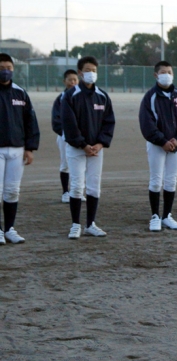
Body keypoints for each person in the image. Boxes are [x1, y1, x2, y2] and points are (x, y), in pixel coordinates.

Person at [62, 56, 115, 239]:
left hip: (96, 150)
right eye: (87, 70)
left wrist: (100, 143)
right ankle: (75, 224)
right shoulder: (71, 96)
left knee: (94, 186)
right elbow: (69, 124)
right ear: (79, 72)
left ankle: (90, 224)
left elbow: (108, 122)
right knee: (77, 186)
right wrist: (83, 144)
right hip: (77, 148)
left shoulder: (102, 96)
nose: (91, 73)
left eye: (94, 70)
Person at [139, 60, 177, 231]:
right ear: (156, 75)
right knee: (156, 181)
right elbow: (147, 123)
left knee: (171, 181)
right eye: (163, 72)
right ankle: (155, 216)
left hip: (176, 145)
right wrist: (162, 141)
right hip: (157, 145)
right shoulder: (150, 97)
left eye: (169, 72)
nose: (166, 75)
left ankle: (167, 216)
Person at [0, 53, 39, 244]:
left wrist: (30, 148)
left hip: (17, 149)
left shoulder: (20, 93)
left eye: (9, 68)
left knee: (12, 191)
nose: (5, 71)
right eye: (1, 68)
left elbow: (30, 121)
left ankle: (9, 229)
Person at [52, 69, 79, 203]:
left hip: (81, 137)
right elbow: (56, 120)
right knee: (65, 164)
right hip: (65, 136)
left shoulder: (82, 96)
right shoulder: (61, 98)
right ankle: (65, 192)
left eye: (75, 80)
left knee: (80, 164)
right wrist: (65, 133)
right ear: (64, 81)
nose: (72, 82)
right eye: (70, 80)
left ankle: (77, 191)